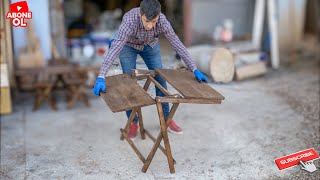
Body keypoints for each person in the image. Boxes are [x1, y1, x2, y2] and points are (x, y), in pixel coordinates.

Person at [93, 0, 208, 140]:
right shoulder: (129, 21)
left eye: (154, 22)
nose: (150, 26)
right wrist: (101, 76)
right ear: (141, 14)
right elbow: (116, 47)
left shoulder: (162, 21)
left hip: (150, 45)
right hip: (128, 46)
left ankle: (166, 119)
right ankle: (133, 122)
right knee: (129, 83)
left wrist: (194, 68)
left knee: (161, 78)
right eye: (147, 21)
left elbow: (177, 43)